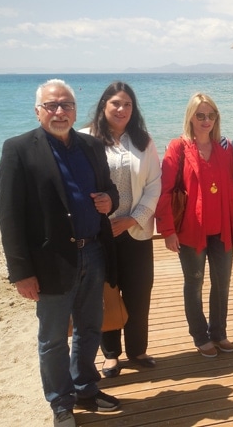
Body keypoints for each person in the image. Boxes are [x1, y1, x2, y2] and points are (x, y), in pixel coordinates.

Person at [0, 79, 121, 427]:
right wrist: (21, 272)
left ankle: (86, 388)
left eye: (66, 104)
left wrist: (111, 201)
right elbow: (10, 217)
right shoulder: (18, 149)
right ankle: (61, 403)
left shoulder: (91, 146)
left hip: (93, 251)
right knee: (52, 339)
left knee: (90, 327)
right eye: (51, 105)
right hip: (50, 262)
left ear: (75, 110)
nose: (59, 111)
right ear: (38, 111)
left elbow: (109, 190)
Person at [155, 93, 233, 358]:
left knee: (222, 283)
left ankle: (218, 332)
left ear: (216, 118)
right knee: (194, 284)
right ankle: (200, 335)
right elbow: (165, 191)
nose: (206, 120)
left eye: (211, 115)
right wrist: (168, 231)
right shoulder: (178, 147)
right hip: (191, 232)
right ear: (191, 117)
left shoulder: (224, 148)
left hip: (222, 230)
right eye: (200, 115)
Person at [82, 81, 161, 377]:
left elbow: (154, 185)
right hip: (99, 234)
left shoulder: (143, 141)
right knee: (106, 293)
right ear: (104, 105)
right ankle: (111, 354)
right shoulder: (85, 139)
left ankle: (138, 350)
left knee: (139, 292)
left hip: (136, 230)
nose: (122, 109)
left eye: (127, 104)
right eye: (116, 103)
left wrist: (132, 218)